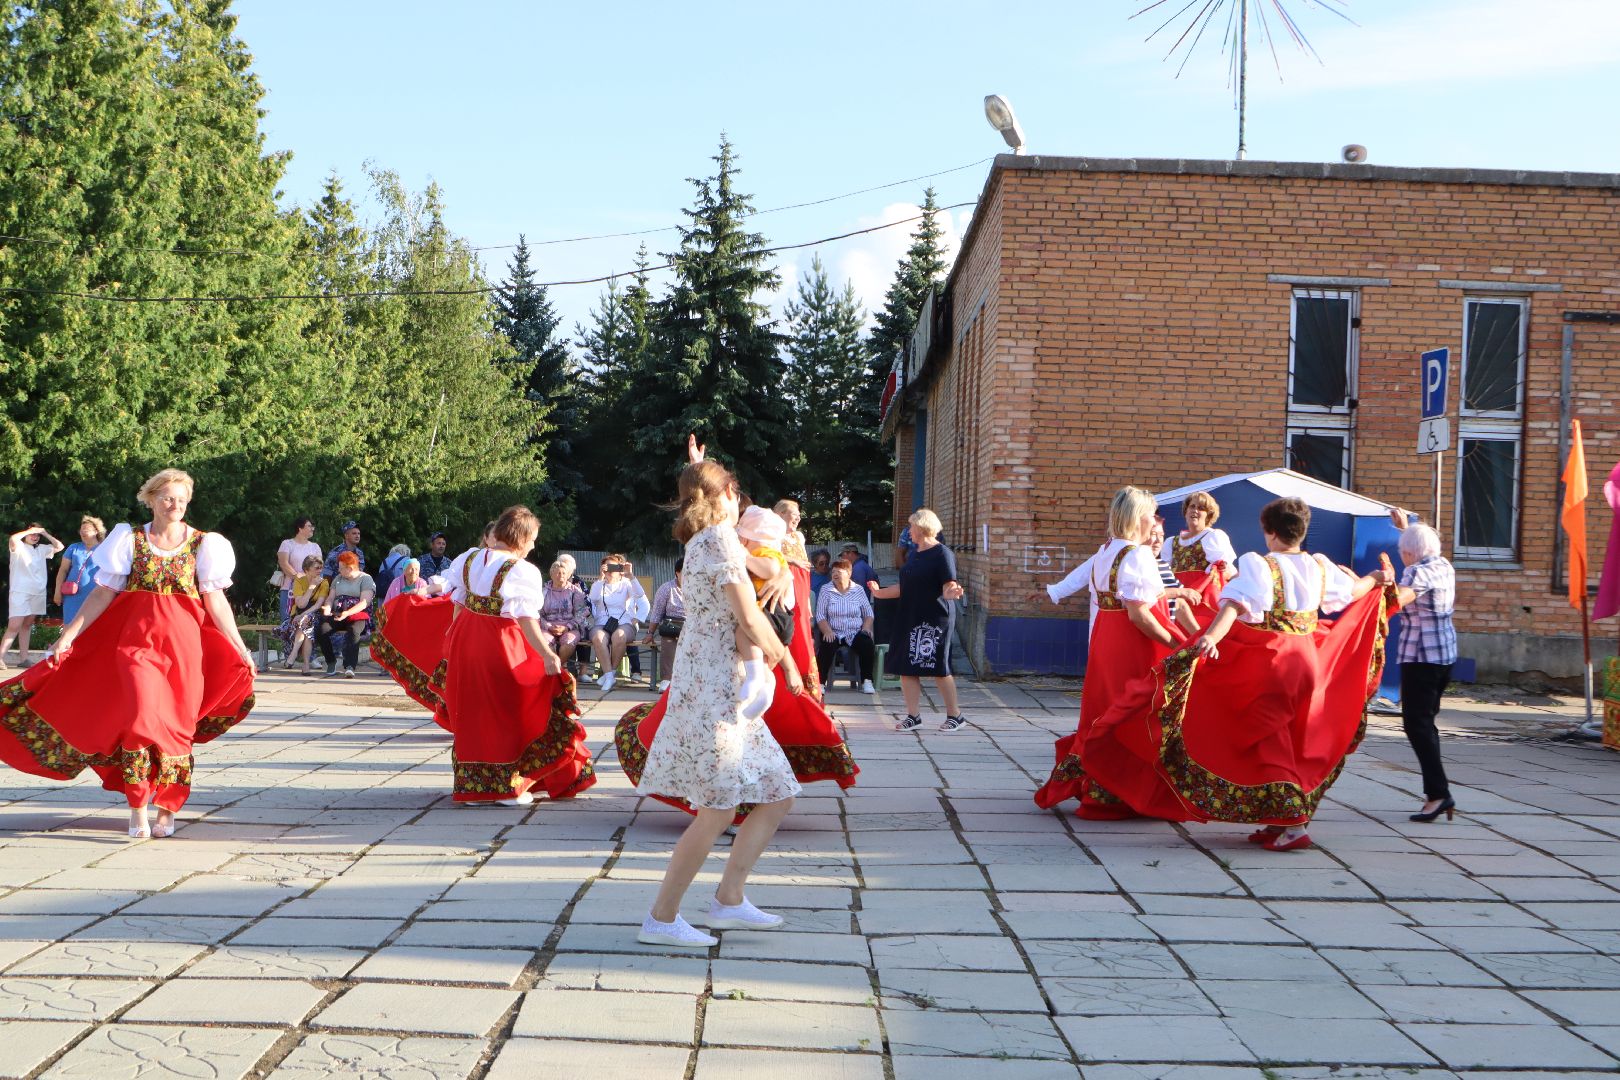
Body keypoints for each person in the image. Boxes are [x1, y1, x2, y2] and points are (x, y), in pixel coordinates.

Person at [1079, 496, 1396, 851]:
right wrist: (1375, 577)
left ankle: (1293, 825)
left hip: (1274, 662)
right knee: (1291, 737)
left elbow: (1233, 605)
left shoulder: (1260, 565)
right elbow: (1352, 591)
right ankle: (1278, 821)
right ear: (1301, 532)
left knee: (1266, 738)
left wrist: (1211, 637)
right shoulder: (1319, 565)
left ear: (1269, 532)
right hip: (1309, 660)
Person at [0, 469, 255, 839]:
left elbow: (215, 600)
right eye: (167, 497)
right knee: (141, 717)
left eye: (182, 499)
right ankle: (138, 807)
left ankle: (168, 808)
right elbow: (102, 593)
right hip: (137, 646)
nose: (175, 505)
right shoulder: (129, 539)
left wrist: (240, 647)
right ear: (151, 499)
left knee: (176, 727)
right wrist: (68, 635)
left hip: (184, 650)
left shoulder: (204, 544)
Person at [635, 459, 799, 948]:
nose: (740, 497)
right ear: (727, 492)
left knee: (777, 792)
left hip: (720, 685)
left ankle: (729, 899)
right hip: (714, 690)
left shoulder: (705, 538)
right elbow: (747, 615)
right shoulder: (720, 539)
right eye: (735, 489)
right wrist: (786, 661)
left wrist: (695, 466)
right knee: (717, 810)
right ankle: (661, 919)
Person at [1033, 487, 1189, 815]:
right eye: (1151, 514)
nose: (1155, 521)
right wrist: (1176, 644)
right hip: (1132, 643)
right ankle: (1129, 791)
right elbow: (1140, 614)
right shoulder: (1137, 555)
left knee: (1105, 709)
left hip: (1106, 639)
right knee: (1136, 713)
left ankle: (1102, 788)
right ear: (1138, 517)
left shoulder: (1106, 550)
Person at [436, 505, 594, 805]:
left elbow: (459, 602)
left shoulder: (469, 558)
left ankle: (475, 788)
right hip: (499, 643)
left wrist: (453, 639)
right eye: (532, 539)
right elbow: (525, 619)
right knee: (507, 710)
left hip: (465, 639)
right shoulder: (521, 570)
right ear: (520, 538)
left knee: (472, 711)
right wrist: (547, 654)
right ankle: (504, 787)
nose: (533, 546)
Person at [1388, 508, 1458, 823]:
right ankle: (1436, 793)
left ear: (1408, 553)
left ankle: (1439, 794)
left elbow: (1398, 599)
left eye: (1403, 552)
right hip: (1443, 654)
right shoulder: (1442, 564)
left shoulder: (1416, 572)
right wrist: (1405, 528)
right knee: (1425, 724)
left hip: (1420, 657)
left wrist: (1373, 583)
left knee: (1417, 725)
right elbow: (1417, 548)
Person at [867, 509, 966, 732]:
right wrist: (879, 593)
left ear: (921, 527)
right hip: (909, 615)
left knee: (938, 666)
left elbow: (949, 585)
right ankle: (913, 716)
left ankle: (955, 716)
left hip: (934, 618)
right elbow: (905, 587)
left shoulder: (942, 553)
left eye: (911, 526)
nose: (908, 531)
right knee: (907, 665)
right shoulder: (914, 554)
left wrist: (952, 592)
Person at [734, 505, 803, 719]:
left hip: (770, 614)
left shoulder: (763, 553)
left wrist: (746, 558)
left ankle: (755, 678)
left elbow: (771, 568)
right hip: (775, 616)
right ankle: (764, 691)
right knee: (762, 659)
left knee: (743, 632)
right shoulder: (767, 553)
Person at [1164, 491, 1239, 611]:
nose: (1195, 510)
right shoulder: (1171, 542)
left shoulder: (1213, 536)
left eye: (1201, 508)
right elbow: (1164, 575)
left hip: (1202, 601)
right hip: (1178, 602)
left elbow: (1226, 571)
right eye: (1192, 506)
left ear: (1208, 515)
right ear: (1186, 511)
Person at [2, 524, 62, 668]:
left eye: (37, 535)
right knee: (14, 625)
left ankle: (24, 658)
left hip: (38, 592)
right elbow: (13, 538)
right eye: (32, 534)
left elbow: (59, 546)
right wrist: (29, 531)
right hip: (20, 591)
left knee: (27, 624)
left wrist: (45, 533)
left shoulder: (42, 549)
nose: (35, 537)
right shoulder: (19, 546)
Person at [816, 557, 876, 694]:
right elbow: (820, 615)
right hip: (834, 631)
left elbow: (868, 613)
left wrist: (866, 628)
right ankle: (820, 683)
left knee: (867, 643)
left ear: (849, 573)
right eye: (833, 572)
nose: (835, 574)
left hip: (854, 632)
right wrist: (827, 631)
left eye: (839, 571)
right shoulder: (826, 589)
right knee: (826, 644)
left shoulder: (858, 590)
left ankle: (867, 681)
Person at [588, 554, 648, 692]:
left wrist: (631, 576)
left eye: (613, 567)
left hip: (624, 622)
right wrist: (600, 577)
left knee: (619, 636)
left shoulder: (626, 583)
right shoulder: (600, 584)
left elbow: (640, 596)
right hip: (603, 622)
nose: (610, 570)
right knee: (598, 637)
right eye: (607, 567)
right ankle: (609, 676)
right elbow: (593, 598)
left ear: (620, 569)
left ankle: (611, 673)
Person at [315, 552, 376, 677]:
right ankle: (331, 661)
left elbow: (364, 602)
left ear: (350, 568)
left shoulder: (366, 579)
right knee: (321, 629)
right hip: (338, 614)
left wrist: (347, 613)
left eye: (341, 568)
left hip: (357, 615)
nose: (339, 570)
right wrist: (327, 607)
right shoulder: (338, 579)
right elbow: (330, 598)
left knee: (353, 630)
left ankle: (350, 666)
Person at [277, 556, 329, 675]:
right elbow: (301, 604)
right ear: (306, 569)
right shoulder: (299, 581)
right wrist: (311, 587)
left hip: (315, 615)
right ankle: (305, 665)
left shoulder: (324, 583)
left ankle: (293, 654)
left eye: (321, 568)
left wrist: (303, 615)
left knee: (305, 622)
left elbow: (318, 605)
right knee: (306, 628)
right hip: (299, 615)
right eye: (316, 568)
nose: (320, 571)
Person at [541, 555, 590, 673]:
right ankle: (557, 672)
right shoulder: (543, 591)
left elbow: (582, 612)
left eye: (564, 573)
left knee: (568, 643)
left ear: (568, 575)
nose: (561, 576)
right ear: (551, 574)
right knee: (546, 644)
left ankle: (556, 671)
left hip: (569, 626)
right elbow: (537, 613)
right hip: (548, 626)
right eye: (558, 573)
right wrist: (548, 626)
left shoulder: (575, 591)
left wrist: (567, 627)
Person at [54, 516, 106, 627]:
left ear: (96, 531)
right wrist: (57, 591)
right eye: (81, 530)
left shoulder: (104, 549)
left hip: (94, 595)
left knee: (91, 627)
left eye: (86, 530)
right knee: (69, 626)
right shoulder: (73, 547)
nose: (82, 532)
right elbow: (63, 570)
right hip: (72, 595)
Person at [647, 559, 686, 692]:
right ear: (677, 573)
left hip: (692, 625)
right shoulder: (666, 588)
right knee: (668, 641)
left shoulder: (699, 587)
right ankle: (666, 679)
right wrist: (650, 633)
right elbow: (656, 613)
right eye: (685, 572)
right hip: (672, 625)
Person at [275, 518, 321, 618]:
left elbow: (319, 567)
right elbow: (283, 563)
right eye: (309, 526)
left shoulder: (315, 546)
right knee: (287, 620)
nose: (312, 529)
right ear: (300, 528)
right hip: (289, 589)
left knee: (306, 621)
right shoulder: (287, 544)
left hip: (310, 589)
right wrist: (298, 578)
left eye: (312, 526)